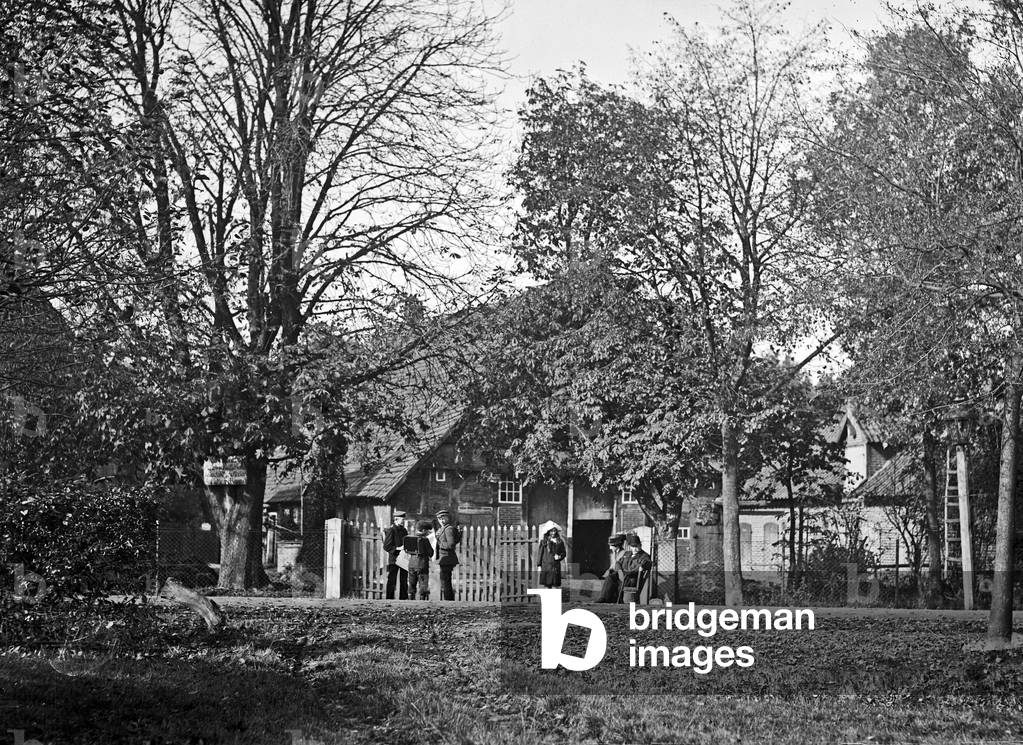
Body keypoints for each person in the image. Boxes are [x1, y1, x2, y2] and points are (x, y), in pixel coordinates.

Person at [616, 534, 652, 602]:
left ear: (640, 545)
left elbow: (646, 564)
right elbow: (618, 563)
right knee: (610, 578)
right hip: (622, 575)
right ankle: (604, 599)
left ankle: (619, 600)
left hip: (632, 578)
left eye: (636, 546)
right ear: (630, 547)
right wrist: (620, 571)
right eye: (633, 546)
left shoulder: (644, 556)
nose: (634, 549)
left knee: (624, 582)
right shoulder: (627, 554)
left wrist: (628, 573)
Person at [434, 509, 461, 601]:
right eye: (439, 519)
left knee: (446, 580)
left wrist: (438, 544)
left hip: (447, 558)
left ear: (447, 518)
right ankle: (448, 599)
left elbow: (451, 544)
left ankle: (448, 599)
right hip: (444, 558)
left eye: (443, 518)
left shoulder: (449, 529)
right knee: (445, 580)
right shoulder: (442, 529)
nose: (441, 520)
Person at [382, 511, 408, 600]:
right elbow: (386, 546)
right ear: (396, 519)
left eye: (404, 519)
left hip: (404, 558)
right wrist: (398, 548)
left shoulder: (404, 530)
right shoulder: (391, 530)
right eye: (402, 519)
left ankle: (404, 598)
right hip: (394, 559)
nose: (403, 521)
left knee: (404, 579)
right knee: (392, 579)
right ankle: (389, 598)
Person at [405, 520, 434, 600]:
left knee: (412, 584)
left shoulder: (410, 538)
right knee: (423, 584)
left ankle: (411, 600)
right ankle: (422, 600)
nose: (428, 532)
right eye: (428, 530)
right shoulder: (425, 540)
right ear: (424, 530)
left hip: (411, 564)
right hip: (422, 564)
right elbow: (431, 553)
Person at [596, 533, 627, 603]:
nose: (610, 548)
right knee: (608, 578)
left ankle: (603, 598)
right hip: (616, 574)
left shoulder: (623, 553)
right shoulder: (614, 553)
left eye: (612, 546)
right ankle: (604, 597)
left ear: (617, 546)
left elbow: (618, 566)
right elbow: (613, 565)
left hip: (620, 575)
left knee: (610, 578)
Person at [536, 522, 566, 589]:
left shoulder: (560, 541)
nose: (553, 533)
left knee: (555, 586)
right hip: (546, 567)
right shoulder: (544, 541)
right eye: (551, 531)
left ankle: (554, 599)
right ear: (548, 531)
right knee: (547, 586)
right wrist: (539, 565)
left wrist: (559, 557)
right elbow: (540, 554)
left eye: (554, 531)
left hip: (555, 567)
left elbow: (564, 553)